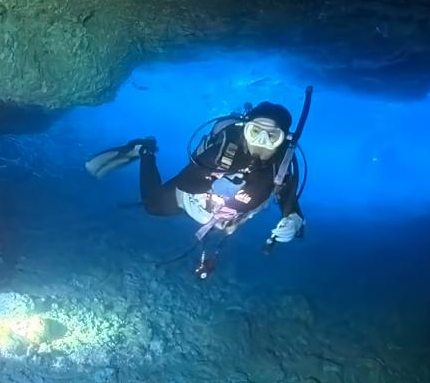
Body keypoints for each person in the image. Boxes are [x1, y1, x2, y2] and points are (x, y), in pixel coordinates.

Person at [85, 93, 311, 273]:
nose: (261, 143)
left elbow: (287, 196)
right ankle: (144, 150)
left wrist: (293, 220)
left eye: (272, 136)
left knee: (224, 229)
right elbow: (187, 181)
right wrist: (214, 186)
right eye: (255, 132)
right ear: (245, 129)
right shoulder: (224, 150)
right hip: (198, 198)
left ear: (285, 139)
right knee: (153, 205)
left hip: (231, 212)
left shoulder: (282, 162)